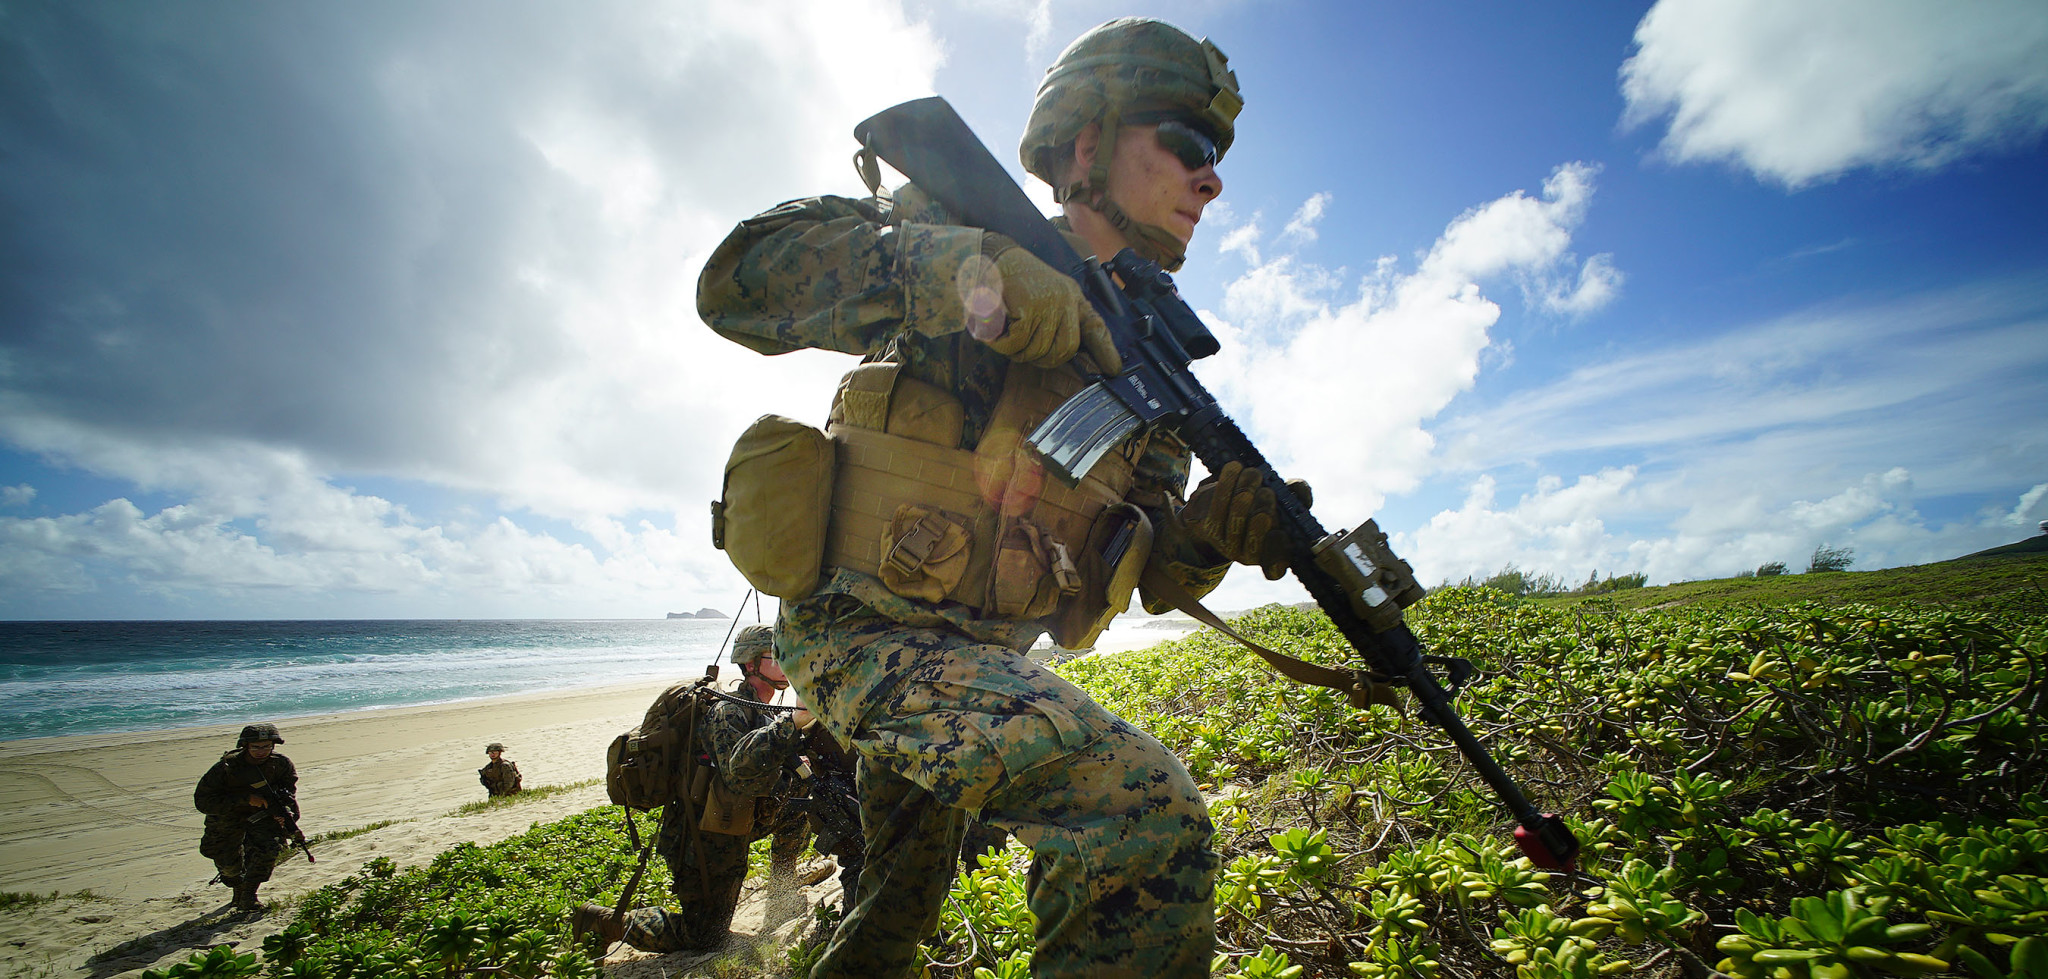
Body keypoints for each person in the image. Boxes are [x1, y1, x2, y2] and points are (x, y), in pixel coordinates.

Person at [696, 17, 1294, 978]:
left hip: (980, 658)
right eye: (1188, 142)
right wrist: (949, 272)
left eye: (1218, 156)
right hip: (864, 635)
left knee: (899, 904)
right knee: (1141, 813)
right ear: (1086, 142)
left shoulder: (1156, 363)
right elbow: (733, 281)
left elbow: (1150, 561)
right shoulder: (957, 227)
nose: (1211, 178)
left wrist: (1215, 534)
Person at [576, 625, 839, 952]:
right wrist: (793, 723)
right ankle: (603, 921)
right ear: (752, 663)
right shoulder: (728, 709)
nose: (787, 662)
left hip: (740, 821)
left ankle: (782, 889)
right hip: (704, 835)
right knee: (703, 935)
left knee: (799, 809)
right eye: (777, 655)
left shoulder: (763, 710)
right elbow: (738, 775)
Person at [193, 722, 298, 913]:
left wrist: (286, 813)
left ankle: (249, 896)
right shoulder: (226, 768)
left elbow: (289, 791)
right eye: (256, 747)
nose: (261, 751)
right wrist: (245, 799)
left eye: (266, 746)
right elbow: (203, 801)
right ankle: (238, 888)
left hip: (262, 816)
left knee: (269, 851)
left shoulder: (280, 764)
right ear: (245, 746)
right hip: (228, 817)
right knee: (228, 863)